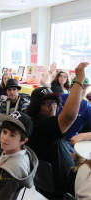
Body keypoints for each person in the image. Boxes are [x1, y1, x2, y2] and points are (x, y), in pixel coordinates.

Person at [26, 62, 89, 198]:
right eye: (46, 103)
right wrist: (79, 79)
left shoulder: (33, 122)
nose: (52, 106)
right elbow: (69, 116)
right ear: (36, 106)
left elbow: (56, 148)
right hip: (66, 184)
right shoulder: (42, 126)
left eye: (54, 101)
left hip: (52, 180)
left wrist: (73, 156)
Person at [56, 77, 91, 153]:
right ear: (71, 88)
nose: (82, 91)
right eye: (79, 87)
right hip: (52, 135)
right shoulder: (60, 97)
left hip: (68, 142)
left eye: (84, 88)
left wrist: (83, 136)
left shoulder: (87, 108)